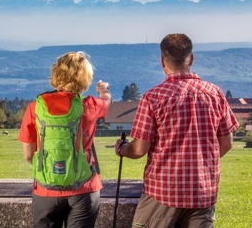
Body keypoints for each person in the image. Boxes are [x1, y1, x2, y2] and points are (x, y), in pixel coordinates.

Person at [115, 33, 239, 227]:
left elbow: (139, 150)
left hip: (163, 192)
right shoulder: (215, 94)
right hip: (203, 192)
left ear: (162, 61)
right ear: (192, 59)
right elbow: (226, 143)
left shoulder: (153, 98)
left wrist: (122, 148)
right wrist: (199, 164)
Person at [19, 51, 112, 228]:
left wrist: (53, 170)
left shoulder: (35, 107)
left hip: (46, 189)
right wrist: (103, 89)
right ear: (85, 79)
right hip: (84, 189)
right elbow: (107, 101)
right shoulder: (89, 105)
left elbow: (28, 155)